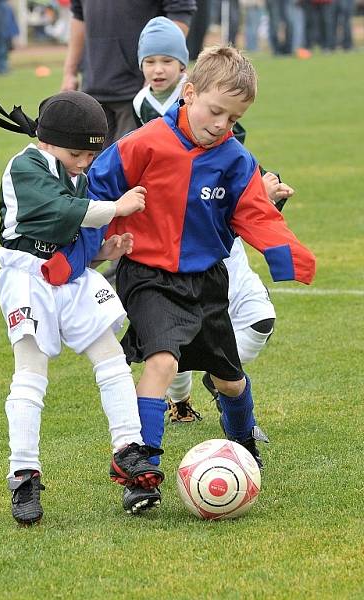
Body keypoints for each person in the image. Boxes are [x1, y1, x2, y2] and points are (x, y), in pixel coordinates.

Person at [47, 46, 316, 513]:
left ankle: (242, 445)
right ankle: (141, 468)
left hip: (207, 280)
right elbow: (97, 196)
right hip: (147, 274)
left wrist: (286, 252)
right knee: (162, 362)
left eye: (233, 118)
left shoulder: (234, 158)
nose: (221, 124)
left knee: (229, 380)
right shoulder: (143, 144)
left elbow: (252, 211)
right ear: (188, 94)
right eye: (215, 110)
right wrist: (75, 252)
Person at [0, 91, 165, 523]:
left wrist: (102, 252)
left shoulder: (73, 171)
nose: (85, 162)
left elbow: (70, 236)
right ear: (47, 141)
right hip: (27, 277)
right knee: (30, 375)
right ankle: (23, 474)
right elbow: (55, 211)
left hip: (68, 278)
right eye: (76, 152)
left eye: (91, 153)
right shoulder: (24, 166)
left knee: (111, 358)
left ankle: (128, 451)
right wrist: (115, 208)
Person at [131, 18, 293, 423]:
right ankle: (181, 404)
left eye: (167, 59)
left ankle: (221, 382)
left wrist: (263, 195)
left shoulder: (218, 124)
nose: (158, 68)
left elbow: (234, 170)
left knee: (256, 321)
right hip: (169, 247)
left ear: (184, 70)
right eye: (150, 60)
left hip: (218, 239)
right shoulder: (140, 108)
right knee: (174, 343)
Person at [60, 0, 196, 148]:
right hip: (93, 91)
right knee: (93, 167)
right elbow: (79, 15)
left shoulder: (143, 101)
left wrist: (155, 69)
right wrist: (69, 72)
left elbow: (180, 11)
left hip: (135, 94)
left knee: (131, 162)